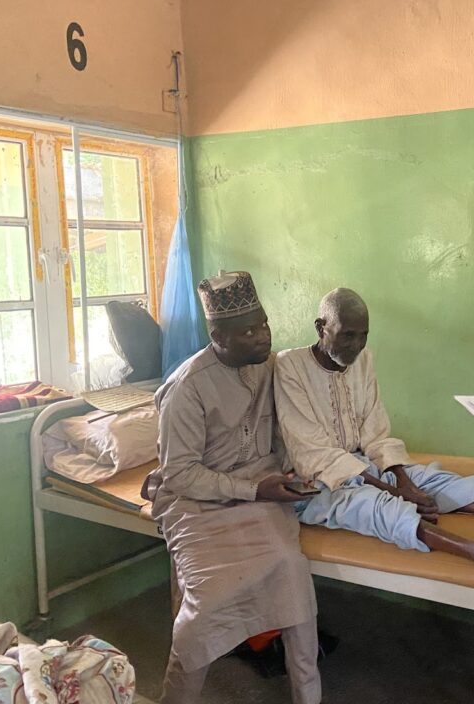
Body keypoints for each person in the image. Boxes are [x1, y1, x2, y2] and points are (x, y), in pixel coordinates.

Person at [274, 288, 474, 584]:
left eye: (363, 335)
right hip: (317, 482)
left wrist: (405, 483)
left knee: (431, 480)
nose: (356, 345)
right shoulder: (290, 366)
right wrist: (394, 492)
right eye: (347, 335)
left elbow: (376, 434)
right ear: (321, 327)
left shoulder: (363, 360)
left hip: (363, 464)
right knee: (379, 507)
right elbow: (313, 454)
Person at [144, 270, 321, 704]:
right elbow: (181, 474)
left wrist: (297, 468)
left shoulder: (267, 367)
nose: (263, 336)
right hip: (195, 503)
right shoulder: (188, 388)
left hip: (260, 492)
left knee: (289, 566)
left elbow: (286, 430)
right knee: (205, 605)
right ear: (217, 335)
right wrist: (256, 490)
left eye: (264, 324)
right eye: (249, 331)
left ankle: (309, 696)